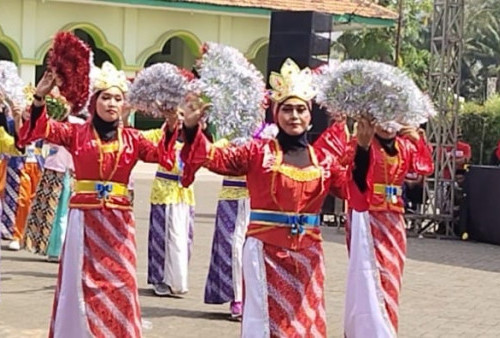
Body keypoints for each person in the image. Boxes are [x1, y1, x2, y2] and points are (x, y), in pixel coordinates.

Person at [177, 58, 372, 337]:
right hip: (265, 253)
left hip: (309, 256)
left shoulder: (324, 160)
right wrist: (193, 128)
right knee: (270, 326)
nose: (294, 116)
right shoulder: (258, 153)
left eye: (300, 110)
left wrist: (363, 149)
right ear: (276, 114)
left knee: (308, 324)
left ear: (309, 115)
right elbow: (215, 158)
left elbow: (353, 192)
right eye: (287, 109)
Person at [19, 62, 174, 338]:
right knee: (79, 283)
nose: (112, 103)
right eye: (105, 97)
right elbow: (40, 130)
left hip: (119, 227)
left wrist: (173, 124)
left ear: (125, 104)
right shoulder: (76, 134)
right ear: (94, 102)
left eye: (117, 98)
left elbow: (164, 156)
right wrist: (40, 98)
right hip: (84, 222)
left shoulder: (133, 140)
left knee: (122, 283)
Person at [344, 122, 434, 337]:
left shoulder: (404, 146)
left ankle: (388, 330)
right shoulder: (359, 142)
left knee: (391, 280)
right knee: (369, 276)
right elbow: (347, 169)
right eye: (380, 119)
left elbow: (424, 167)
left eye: (392, 118)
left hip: (394, 220)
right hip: (367, 217)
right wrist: (363, 147)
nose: (386, 126)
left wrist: (419, 141)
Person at [23, 93, 84, 261]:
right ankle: (51, 248)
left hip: (71, 172)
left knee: (68, 211)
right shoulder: (50, 124)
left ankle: (64, 248)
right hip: (52, 170)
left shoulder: (79, 124)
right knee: (48, 211)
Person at [142, 109, 195, 297]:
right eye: (177, 113)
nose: (180, 118)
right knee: (162, 237)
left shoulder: (193, 138)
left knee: (183, 239)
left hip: (184, 193)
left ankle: (178, 279)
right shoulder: (158, 135)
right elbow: (134, 137)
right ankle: (160, 279)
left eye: (183, 113)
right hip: (164, 192)